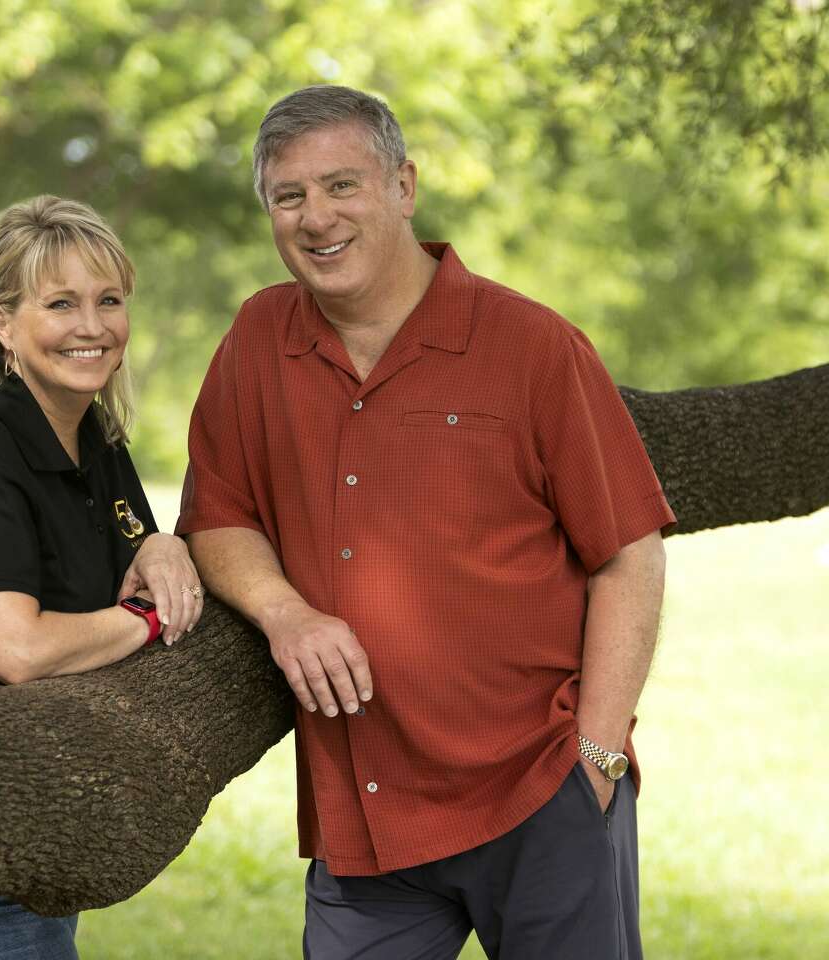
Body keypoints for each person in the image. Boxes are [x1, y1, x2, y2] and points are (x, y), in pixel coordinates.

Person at [177, 85, 674, 960]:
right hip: (366, 813)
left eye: (342, 186)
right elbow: (219, 514)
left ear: (403, 186)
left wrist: (596, 759)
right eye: (288, 197)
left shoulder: (533, 347)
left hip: (538, 790)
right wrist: (285, 612)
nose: (315, 217)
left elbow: (628, 553)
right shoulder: (258, 338)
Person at [0, 195, 203, 960]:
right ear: (4, 324)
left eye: (109, 300)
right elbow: (14, 649)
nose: (92, 326)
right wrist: (151, 621)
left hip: (30, 832)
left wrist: (161, 546)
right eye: (61, 304)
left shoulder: (97, 437)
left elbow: (128, 547)